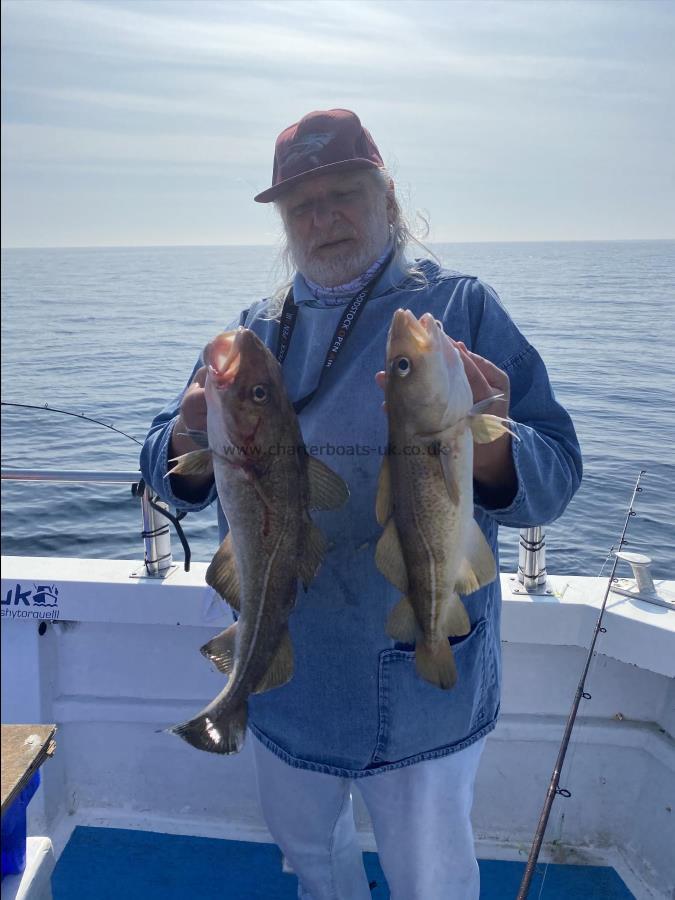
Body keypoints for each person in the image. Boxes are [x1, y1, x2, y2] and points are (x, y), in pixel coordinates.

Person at [140, 108, 582, 900]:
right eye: (300, 206)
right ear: (283, 223)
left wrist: (488, 444)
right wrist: (183, 431)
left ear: (386, 198)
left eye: (342, 194)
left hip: (421, 681)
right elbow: (169, 463)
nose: (323, 219)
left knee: (431, 880)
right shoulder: (256, 332)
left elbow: (556, 472)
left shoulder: (458, 312)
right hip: (288, 672)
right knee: (313, 862)